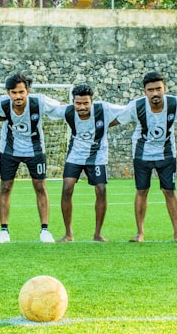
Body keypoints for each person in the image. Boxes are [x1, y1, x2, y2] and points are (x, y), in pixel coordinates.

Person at [110, 71, 177, 243]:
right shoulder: (136, 106)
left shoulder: (176, 104)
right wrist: (96, 127)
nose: (155, 93)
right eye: (150, 90)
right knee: (142, 190)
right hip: (141, 154)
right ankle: (140, 233)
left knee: (169, 191)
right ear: (144, 92)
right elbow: (117, 120)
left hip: (167, 153)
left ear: (165, 89)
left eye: (158, 89)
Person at [0, 72, 63, 243]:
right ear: (8, 93)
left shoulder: (40, 101)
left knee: (40, 186)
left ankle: (45, 230)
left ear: (27, 91)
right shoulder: (2, 103)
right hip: (9, 151)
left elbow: (61, 108)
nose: (18, 96)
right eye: (14, 93)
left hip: (35, 151)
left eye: (21, 92)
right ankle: (4, 231)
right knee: (5, 187)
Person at [50, 84, 125, 242]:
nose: (82, 107)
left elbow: (127, 111)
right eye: (78, 103)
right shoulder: (67, 111)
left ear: (92, 101)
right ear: (73, 102)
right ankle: (68, 234)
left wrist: (107, 125)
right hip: (75, 154)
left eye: (85, 103)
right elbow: (48, 109)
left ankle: (97, 234)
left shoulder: (104, 109)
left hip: (98, 155)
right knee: (67, 187)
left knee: (101, 189)